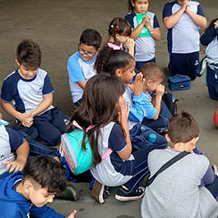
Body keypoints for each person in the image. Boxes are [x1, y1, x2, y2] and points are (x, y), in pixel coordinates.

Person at [68, 74, 162, 203]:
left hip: (95, 169)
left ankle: (100, 182)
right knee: (154, 152)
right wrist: (123, 123)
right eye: (120, 96)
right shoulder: (112, 128)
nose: (123, 100)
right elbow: (126, 154)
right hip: (115, 173)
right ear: (109, 101)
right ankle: (128, 189)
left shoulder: (81, 118)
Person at [141, 111, 218, 218]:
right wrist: (195, 151)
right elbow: (209, 181)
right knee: (215, 181)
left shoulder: (153, 155)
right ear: (195, 140)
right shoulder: (201, 161)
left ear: (167, 137)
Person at [1, 39, 69, 146]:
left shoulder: (43, 75)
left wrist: (33, 113)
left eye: (34, 69)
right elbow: (4, 103)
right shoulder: (10, 81)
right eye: (26, 69)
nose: (30, 73)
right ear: (18, 62)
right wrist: (20, 116)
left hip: (47, 111)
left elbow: (48, 99)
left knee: (70, 128)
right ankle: (30, 133)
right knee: (55, 138)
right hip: (30, 118)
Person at [96, 49, 167, 149]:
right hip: (130, 131)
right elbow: (138, 117)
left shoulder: (123, 85)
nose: (134, 74)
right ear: (119, 72)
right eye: (131, 71)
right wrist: (137, 93)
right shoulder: (117, 96)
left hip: (132, 126)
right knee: (162, 144)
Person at [162, 0, 207, 80]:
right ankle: (171, 66)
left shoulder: (196, 5)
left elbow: (203, 23)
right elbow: (168, 24)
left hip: (193, 47)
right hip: (176, 49)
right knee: (177, 76)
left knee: (192, 76)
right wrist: (182, 9)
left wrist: (189, 11)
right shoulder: (169, 6)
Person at [124, 0, 161, 70]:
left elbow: (158, 37)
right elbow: (131, 36)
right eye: (139, 3)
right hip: (136, 58)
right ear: (133, 3)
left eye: (145, 3)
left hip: (150, 57)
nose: (143, 6)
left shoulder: (152, 16)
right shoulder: (129, 18)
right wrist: (142, 24)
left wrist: (149, 26)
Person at [67, 28, 101, 106]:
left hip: (99, 92)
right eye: (82, 50)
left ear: (97, 50)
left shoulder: (99, 56)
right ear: (79, 45)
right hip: (82, 96)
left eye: (89, 53)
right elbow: (85, 87)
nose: (85, 54)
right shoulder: (73, 61)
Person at [140, 62, 172, 134]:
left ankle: (171, 121)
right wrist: (158, 96)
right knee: (165, 122)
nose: (158, 86)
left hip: (148, 112)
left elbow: (151, 105)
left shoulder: (145, 89)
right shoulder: (141, 97)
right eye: (157, 84)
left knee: (159, 99)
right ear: (149, 82)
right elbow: (154, 116)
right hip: (142, 122)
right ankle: (169, 124)